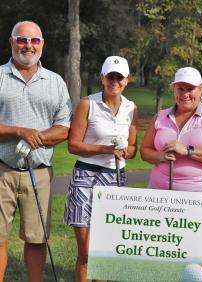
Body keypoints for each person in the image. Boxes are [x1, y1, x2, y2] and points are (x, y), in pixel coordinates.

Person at [0, 21, 72, 282]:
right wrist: (19, 132)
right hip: (2, 170)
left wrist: (35, 138)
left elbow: (64, 128)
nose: (28, 46)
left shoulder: (55, 82)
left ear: (42, 44)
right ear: (11, 42)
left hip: (39, 172)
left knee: (37, 237)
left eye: (34, 41)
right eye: (21, 40)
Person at [63, 55, 138, 282]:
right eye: (110, 76)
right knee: (86, 253)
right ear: (102, 77)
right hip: (85, 175)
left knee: (104, 251)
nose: (114, 81)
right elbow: (73, 145)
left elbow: (132, 147)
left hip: (115, 177)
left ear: (127, 80)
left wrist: (126, 151)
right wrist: (106, 149)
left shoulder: (131, 108)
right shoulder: (88, 103)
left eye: (119, 77)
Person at [140, 67, 202, 192]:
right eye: (180, 89)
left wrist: (187, 151)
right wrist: (161, 156)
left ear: (200, 89)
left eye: (190, 89)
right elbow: (145, 151)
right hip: (158, 194)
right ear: (174, 90)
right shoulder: (160, 117)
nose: (185, 94)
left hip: (197, 196)